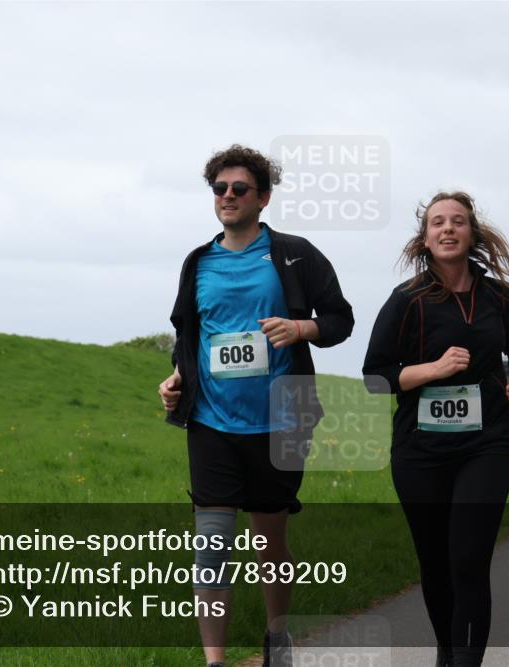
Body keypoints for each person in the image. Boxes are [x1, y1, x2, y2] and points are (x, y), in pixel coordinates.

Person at [159, 144, 354, 667]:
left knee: (270, 545)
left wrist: (300, 328)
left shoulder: (294, 254)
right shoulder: (198, 262)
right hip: (212, 423)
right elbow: (188, 335)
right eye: (219, 189)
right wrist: (178, 378)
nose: (227, 196)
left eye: (239, 188)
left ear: (263, 197)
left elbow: (340, 320)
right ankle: (215, 660)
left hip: (281, 419)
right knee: (212, 548)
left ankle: (277, 637)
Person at [363, 191, 509, 667]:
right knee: (436, 566)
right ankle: (446, 651)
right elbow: (376, 377)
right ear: (425, 237)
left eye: (457, 221)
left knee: (468, 560)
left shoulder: (498, 297)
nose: (447, 228)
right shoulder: (406, 300)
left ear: (471, 233)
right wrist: (433, 370)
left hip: (487, 445)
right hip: (420, 451)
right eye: (437, 222)